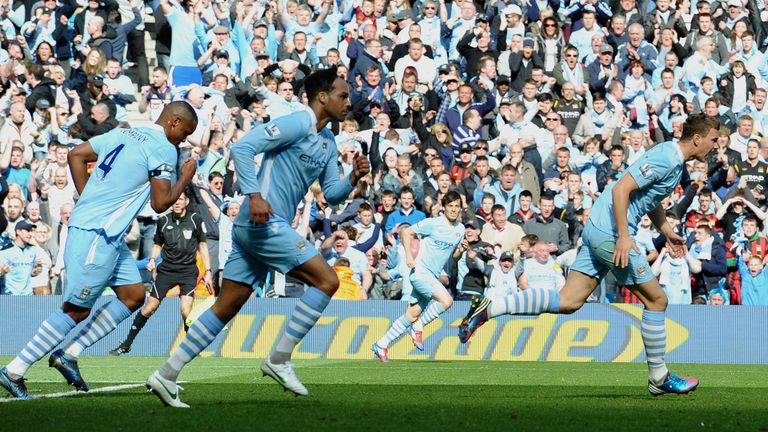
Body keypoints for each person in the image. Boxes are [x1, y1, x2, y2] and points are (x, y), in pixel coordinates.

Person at [147, 67, 370, 407]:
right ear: (322, 97)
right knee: (326, 280)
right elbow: (244, 148)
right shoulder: (297, 123)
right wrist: (253, 195)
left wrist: (353, 177)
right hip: (263, 222)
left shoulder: (327, 141)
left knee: (227, 305)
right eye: (342, 95)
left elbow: (331, 194)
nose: (348, 101)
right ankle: (279, 358)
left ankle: (166, 374)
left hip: (261, 227)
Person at [458, 113, 721, 396]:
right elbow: (622, 189)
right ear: (697, 138)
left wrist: (666, 230)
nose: (715, 146)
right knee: (657, 300)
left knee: (569, 300)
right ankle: (659, 377)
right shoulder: (667, 157)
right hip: (611, 233)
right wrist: (623, 236)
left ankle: (490, 308)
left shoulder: (673, 160)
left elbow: (649, 198)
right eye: (713, 140)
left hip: (598, 227)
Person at [0, 101, 199, 399]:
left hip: (106, 234)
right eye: (186, 131)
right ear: (173, 122)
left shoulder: (125, 133)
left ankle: (69, 354)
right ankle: (14, 370)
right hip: (96, 234)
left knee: (133, 296)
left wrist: (87, 196)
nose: (185, 139)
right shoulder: (164, 149)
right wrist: (186, 176)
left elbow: (76, 154)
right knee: (77, 310)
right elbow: (160, 204)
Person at [110, 192, 214, 356]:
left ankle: (192, 349)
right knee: (149, 308)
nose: (177, 203)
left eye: (180, 200)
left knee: (186, 311)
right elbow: (158, 244)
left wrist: (208, 271)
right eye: (174, 200)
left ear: (186, 202)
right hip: (167, 271)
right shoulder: (164, 221)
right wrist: (152, 259)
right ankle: (127, 343)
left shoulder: (195, 220)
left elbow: (203, 246)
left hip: (188, 271)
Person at [372, 191, 466, 361]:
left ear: (460, 208)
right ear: (444, 207)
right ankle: (419, 327)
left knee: (412, 315)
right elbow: (407, 232)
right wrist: (409, 255)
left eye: (457, 206)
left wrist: (460, 251)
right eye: (450, 206)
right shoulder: (433, 223)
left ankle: (382, 344)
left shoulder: (460, 229)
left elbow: (455, 257)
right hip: (421, 273)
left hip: (433, 276)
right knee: (447, 301)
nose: (453, 209)